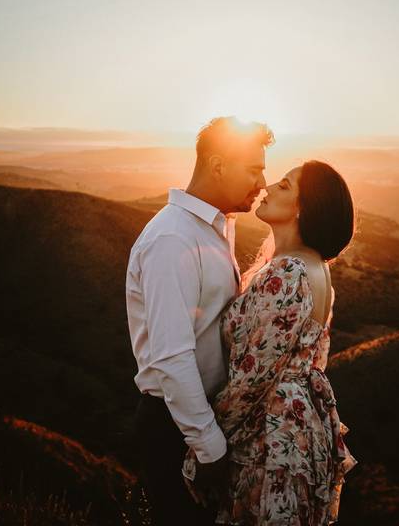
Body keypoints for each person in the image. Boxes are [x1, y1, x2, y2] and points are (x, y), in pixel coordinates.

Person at [183, 160, 358, 525]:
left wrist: (204, 444)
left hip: (270, 433)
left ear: (302, 208)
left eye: (284, 185)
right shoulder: (316, 267)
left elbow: (254, 377)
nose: (268, 187)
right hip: (296, 424)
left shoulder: (289, 272)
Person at [126, 116, 275, 524]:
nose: (263, 183)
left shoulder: (213, 227)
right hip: (175, 426)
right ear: (218, 165)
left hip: (201, 417)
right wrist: (210, 446)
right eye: (254, 169)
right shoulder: (173, 240)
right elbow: (171, 358)